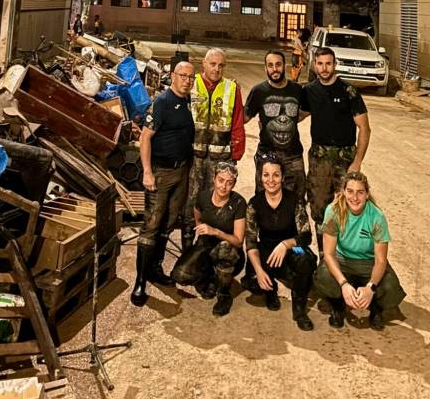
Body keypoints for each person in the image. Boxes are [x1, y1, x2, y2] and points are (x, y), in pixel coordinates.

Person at [242, 50, 308, 292]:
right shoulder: (259, 91)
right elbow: (243, 118)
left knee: (297, 204)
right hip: (267, 157)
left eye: (278, 64)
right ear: (266, 68)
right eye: (270, 65)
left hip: (293, 157)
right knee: (263, 207)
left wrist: (290, 120)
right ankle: (261, 261)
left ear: (284, 66)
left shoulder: (297, 91)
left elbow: (307, 109)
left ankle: (295, 252)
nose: (274, 68)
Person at [131, 61, 196, 307]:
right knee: (151, 224)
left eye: (191, 77)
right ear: (172, 76)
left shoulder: (190, 103)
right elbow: (145, 138)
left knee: (168, 223)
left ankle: (156, 269)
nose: (187, 81)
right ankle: (140, 282)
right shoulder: (161, 102)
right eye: (183, 76)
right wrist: (147, 172)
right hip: (161, 172)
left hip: (182, 172)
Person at [314, 172, 406, 330]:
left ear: (367, 194)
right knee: (323, 277)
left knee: (390, 288)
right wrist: (343, 284)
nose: (355, 198)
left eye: (360, 192)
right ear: (343, 191)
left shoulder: (376, 217)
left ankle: (375, 308)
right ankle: (338, 305)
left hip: (369, 263)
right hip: (342, 260)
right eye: (350, 191)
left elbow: (381, 260)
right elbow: (328, 254)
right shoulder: (333, 211)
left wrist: (371, 287)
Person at [303, 47, 371, 258]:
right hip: (319, 159)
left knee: (351, 207)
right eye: (320, 64)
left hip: (345, 160)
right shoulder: (309, 91)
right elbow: (299, 114)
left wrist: (357, 162)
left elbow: (364, 128)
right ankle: (325, 257)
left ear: (335, 65)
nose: (324, 68)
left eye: (328, 63)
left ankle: (349, 255)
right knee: (319, 209)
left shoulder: (348, 92)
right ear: (315, 65)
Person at [182, 48, 246, 254]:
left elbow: (237, 123)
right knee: (190, 205)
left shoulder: (232, 89)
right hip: (193, 158)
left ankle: (211, 251)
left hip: (220, 160)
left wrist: (235, 156)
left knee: (216, 208)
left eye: (221, 65)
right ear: (204, 64)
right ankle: (187, 252)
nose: (217, 69)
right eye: (213, 64)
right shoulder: (191, 85)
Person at [245, 155, 317, 331]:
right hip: (267, 249)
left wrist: (286, 244)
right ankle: (271, 291)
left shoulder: (294, 200)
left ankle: (299, 309)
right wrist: (260, 271)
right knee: (252, 281)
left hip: (293, 247)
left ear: (283, 177)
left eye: (276, 175)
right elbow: (251, 243)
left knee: (307, 258)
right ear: (261, 177)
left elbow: (306, 236)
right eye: (266, 175)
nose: (271, 180)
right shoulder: (254, 204)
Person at [170, 162, 246, 316]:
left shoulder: (238, 203)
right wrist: (203, 234)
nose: (223, 186)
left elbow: (238, 240)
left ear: (234, 185)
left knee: (225, 247)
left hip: (230, 254)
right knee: (180, 275)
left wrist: (216, 232)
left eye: (229, 183)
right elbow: (197, 218)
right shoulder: (203, 196)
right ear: (214, 179)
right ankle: (208, 279)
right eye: (220, 180)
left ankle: (224, 294)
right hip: (206, 245)